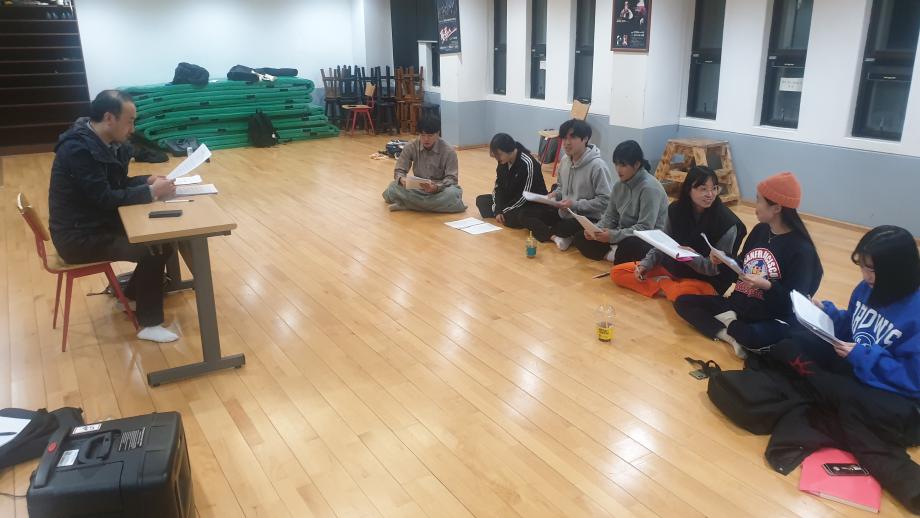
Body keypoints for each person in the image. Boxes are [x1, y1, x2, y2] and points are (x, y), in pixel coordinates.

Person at [766, 226, 920, 511]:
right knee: (791, 342)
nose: (865, 276)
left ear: (898, 270)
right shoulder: (865, 289)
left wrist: (863, 356)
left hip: (898, 397)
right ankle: (825, 392)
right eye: (862, 266)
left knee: (846, 397)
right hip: (856, 370)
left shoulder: (916, 311)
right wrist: (828, 313)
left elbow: (914, 379)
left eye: (872, 269)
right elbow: (853, 327)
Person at [49, 90, 179, 343]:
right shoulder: (78, 150)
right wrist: (152, 192)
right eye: (130, 121)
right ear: (109, 118)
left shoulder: (107, 143)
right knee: (153, 248)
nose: (133, 128)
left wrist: (147, 180)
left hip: (95, 222)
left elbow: (116, 184)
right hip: (78, 237)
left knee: (163, 241)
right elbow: (105, 198)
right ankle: (149, 324)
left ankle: (131, 296)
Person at [673, 172, 823, 358]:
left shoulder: (802, 250)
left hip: (768, 315)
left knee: (751, 335)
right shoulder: (761, 230)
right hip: (738, 305)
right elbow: (743, 263)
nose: (755, 205)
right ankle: (729, 335)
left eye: (759, 200)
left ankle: (733, 328)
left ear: (776, 208)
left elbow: (794, 303)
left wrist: (767, 286)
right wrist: (724, 258)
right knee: (683, 302)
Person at [612, 165, 747, 300]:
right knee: (618, 272)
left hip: (707, 280)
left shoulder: (728, 224)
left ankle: (664, 286)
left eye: (714, 188)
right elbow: (663, 244)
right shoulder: (676, 209)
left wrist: (689, 257)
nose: (710, 194)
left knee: (683, 295)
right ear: (689, 189)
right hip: (675, 269)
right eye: (703, 189)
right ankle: (668, 287)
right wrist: (645, 265)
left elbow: (713, 269)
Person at [523, 119, 612, 251]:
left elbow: (605, 201)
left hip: (586, 217)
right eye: (564, 138)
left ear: (585, 139)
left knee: (564, 227)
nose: (567, 143)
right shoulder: (565, 160)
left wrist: (575, 204)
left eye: (572, 137)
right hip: (564, 212)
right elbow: (560, 186)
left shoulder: (597, 166)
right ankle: (557, 236)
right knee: (526, 214)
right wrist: (554, 195)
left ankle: (558, 234)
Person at [576, 140, 668, 263]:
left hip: (646, 239)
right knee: (580, 237)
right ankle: (614, 255)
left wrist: (613, 236)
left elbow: (645, 228)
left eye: (623, 165)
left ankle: (616, 254)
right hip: (623, 234)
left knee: (630, 245)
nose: (618, 170)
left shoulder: (650, 188)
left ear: (636, 164)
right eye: (616, 164)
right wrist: (596, 230)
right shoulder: (618, 186)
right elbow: (610, 216)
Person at [381, 114, 467, 213]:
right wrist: (402, 179)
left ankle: (407, 204)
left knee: (452, 193)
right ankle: (434, 206)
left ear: (437, 134)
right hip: (418, 187)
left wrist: (436, 187)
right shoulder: (411, 146)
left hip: (440, 189)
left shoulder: (448, 151)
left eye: (430, 135)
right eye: (422, 135)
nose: (426, 139)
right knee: (393, 187)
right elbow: (399, 170)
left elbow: (452, 179)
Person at [475, 133, 554, 228]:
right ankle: (504, 215)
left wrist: (504, 210)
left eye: (499, 155)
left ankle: (512, 216)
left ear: (508, 150)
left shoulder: (528, 163)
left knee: (513, 216)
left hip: (530, 203)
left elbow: (525, 195)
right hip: (512, 198)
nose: (497, 158)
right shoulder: (502, 162)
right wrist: (498, 210)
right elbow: (498, 187)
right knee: (481, 201)